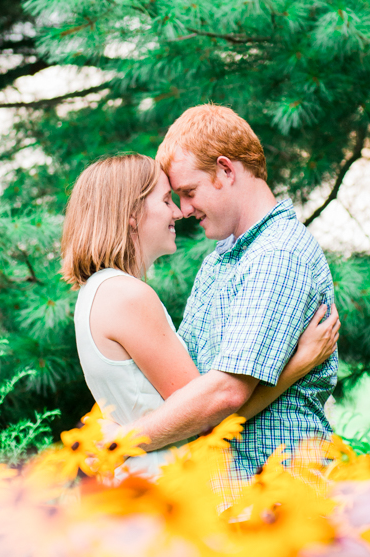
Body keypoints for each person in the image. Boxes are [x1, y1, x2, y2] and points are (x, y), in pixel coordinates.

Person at [62, 152, 339, 476]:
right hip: (163, 484)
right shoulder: (127, 295)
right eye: (166, 200)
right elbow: (208, 412)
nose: (178, 212)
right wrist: (299, 364)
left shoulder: (97, 291)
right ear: (131, 214)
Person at [131, 104, 339, 478]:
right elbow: (191, 388)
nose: (184, 209)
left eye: (189, 191)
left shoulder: (277, 255)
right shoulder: (222, 259)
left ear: (226, 170)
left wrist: (121, 442)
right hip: (236, 496)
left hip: (279, 490)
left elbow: (224, 395)